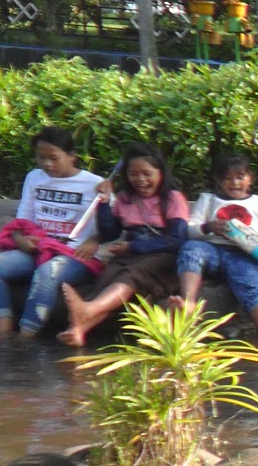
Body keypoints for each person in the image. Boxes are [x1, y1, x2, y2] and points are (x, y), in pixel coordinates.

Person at [58, 142, 190, 347]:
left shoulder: (173, 198)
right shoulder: (126, 198)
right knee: (107, 280)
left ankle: (88, 311)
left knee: (132, 275)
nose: (141, 180)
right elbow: (110, 232)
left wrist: (133, 248)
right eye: (133, 174)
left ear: (161, 173)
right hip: (131, 254)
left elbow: (176, 239)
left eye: (147, 173)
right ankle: (78, 330)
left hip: (164, 258)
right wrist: (104, 202)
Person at [173, 152, 258, 349]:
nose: (234, 182)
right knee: (191, 249)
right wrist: (208, 227)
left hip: (244, 255)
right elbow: (190, 229)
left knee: (249, 289)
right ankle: (188, 303)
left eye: (240, 177)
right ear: (218, 181)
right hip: (210, 250)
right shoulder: (208, 199)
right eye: (227, 178)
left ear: (250, 179)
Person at [0, 127, 108, 337]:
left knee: (47, 273)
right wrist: (20, 238)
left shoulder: (95, 184)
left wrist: (95, 239)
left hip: (74, 255)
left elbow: (113, 224)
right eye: (42, 158)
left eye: (54, 158)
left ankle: (25, 338)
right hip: (37, 248)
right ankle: (3, 333)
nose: (47, 164)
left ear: (71, 157)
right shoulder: (34, 178)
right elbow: (23, 218)